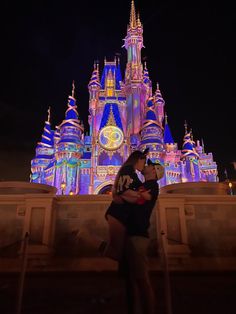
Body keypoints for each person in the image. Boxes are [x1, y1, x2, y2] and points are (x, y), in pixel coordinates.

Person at [124, 159, 164, 314]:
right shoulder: (143, 185)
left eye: (149, 165)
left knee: (141, 279)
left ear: (154, 171)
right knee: (133, 278)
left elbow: (144, 197)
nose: (146, 165)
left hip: (139, 234)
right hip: (132, 232)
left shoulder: (152, 185)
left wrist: (132, 192)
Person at [101, 149, 150, 261]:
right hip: (117, 214)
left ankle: (131, 276)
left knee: (126, 252)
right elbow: (123, 192)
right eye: (144, 161)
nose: (144, 165)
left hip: (122, 214)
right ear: (139, 159)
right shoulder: (127, 171)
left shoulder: (131, 172)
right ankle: (86, 238)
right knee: (116, 252)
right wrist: (140, 194)